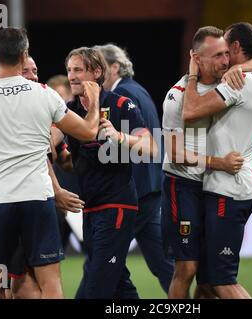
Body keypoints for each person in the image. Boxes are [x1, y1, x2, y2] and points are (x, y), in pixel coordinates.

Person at [0, 27, 100, 298]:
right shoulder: (44, 93)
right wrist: (96, 99)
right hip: (37, 198)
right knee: (50, 280)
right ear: (24, 55)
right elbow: (89, 132)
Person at [163, 25, 252, 299]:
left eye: (227, 54)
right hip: (185, 185)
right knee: (187, 269)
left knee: (210, 277)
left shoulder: (229, 81)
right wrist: (216, 162)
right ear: (196, 58)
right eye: (216, 56)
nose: (225, 61)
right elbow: (175, 153)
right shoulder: (177, 96)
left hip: (216, 188)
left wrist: (244, 66)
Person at [62, 47, 158, 298]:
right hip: (90, 209)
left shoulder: (120, 105)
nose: (72, 76)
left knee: (97, 286)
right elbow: (67, 158)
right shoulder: (70, 110)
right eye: (70, 70)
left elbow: (150, 148)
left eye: (78, 70)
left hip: (116, 205)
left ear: (96, 72)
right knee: (118, 284)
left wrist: (119, 136)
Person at [93, 43, 174, 294]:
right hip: (149, 187)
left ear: (114, 67)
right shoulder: (137, 91)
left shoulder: (122, 97)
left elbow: (134, 145)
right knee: (161, 264)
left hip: (135, 190)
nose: (94, 73)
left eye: (98, 67)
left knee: (103, 260)